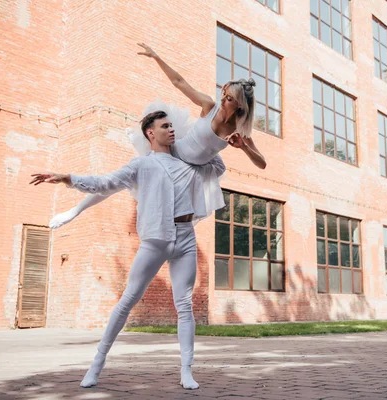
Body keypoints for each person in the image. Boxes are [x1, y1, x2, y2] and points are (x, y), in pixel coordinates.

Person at [30, 110, 225, 390]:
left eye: (172, 126)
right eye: (165, 126)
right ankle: (96, 364)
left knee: (184, 306)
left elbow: (217, 168)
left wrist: (209, 142)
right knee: (127, 300)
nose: (172, 130)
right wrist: (67, 178)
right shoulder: (141, 166)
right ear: (150, 133)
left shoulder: (190, 165)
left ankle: (186, 370)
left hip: (185, 239)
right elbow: (104, 183)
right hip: (155, 240)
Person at [49, 42, 266, 229]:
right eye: (224, 93)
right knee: (123, 179)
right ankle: (75, 210)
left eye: (229, 98)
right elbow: (180, 83)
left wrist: (244, 147)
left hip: (193, 169)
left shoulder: (241, 129)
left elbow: (262, 164)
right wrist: (157, 57)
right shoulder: (209, 106)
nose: (223, 99)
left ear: (240, 105)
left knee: (170, 209)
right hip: (174, 152)